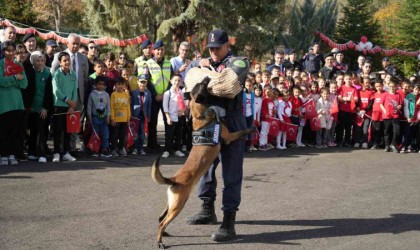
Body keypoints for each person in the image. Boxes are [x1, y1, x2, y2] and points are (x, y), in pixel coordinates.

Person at [185, 29, 250, 242]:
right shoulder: (200, 63)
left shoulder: (239, 62)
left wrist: (203, 78)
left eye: (217, 48)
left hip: (230, 121)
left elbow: (228, 86)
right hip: (208, 121)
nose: (213, 52)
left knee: (231, 172)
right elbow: (188, 81)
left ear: (227, 47)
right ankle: (207, 209)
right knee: (205, 168)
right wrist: (203, 75)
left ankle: (229, 222)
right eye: (210, 48)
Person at [51, 34, 89, 155]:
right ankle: (60, 148)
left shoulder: (83, 58)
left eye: (78, 43)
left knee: (73, 123)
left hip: (77, 94)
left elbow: (85, 76)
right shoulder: (59, 56)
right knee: (61, 124)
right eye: (73, 43)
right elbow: (53, 74)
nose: (76, 46)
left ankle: (71, 149)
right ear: (67, 43)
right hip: (62, 96)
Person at [0, 41, 28, 166]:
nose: (11, 53)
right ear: (3, 52)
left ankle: (11, 154)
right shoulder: (0, 64)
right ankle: (3, 154)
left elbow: (24, 84)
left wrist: (10, 80)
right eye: (8, 50)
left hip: (17, 103)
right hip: (4, 103)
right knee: (3, 130)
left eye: (12, 50)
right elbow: (1, 81)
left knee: (14, 131)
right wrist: (15, 78)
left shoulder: (18, 64)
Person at [143, 40, 173, 152]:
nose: (160, 52)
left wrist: (166, 94)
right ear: (153, 51)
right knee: (153, 121)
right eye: (158, 50)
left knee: (168, 121)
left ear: (164, 50)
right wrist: (155, 94)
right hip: (154, 98)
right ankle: (152, 145)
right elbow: (147, 80)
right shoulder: (149, 63)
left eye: (162, 49)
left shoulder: (168, 63)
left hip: (166, 97)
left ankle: (168, 146)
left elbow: (172, 80)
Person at [51, 52, 78, 163]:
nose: (67, 62)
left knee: (68, 131)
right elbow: (56, 91)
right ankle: (57, 152)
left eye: (68, 60)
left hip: (69, 107)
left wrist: (72, 105)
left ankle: (66, 153)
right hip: (59, 106)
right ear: (60, 62)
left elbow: (74, 91)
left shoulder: (73, 74)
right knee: (58, 131)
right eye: (64, 60)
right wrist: (68, 100)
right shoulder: (56, 74)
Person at [27, 51, 53, 163]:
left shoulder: (47, 73)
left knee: (41, 131)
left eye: (42, 60)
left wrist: (45, 107)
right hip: (31, 107)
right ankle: (31, 152)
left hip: (42, 107)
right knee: (32, 130)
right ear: (33, 61)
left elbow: (49, 93)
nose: (40, 62)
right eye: (37, 60)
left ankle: (42, 153)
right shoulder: (29, 72)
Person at [86, 75, 112, 158]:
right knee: (95, 134)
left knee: (105, 134)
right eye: (99, 84)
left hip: (104, 118)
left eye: (103, 84)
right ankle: (95, 149)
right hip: (95, 117)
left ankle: (104, 149)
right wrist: (89, 116)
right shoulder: (92, 94)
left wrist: (108, 116)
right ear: (95, 84)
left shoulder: (106, 94)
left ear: (105, 86)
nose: (101, 86)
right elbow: (89, 106)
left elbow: (108, 106)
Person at [161, 74, 186, 158]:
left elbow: (183, 104)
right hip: (171, 116)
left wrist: (182, 111)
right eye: (175, 80)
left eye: (179, 80)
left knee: (179, 134)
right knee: (169, 134)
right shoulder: (168, 93)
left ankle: (177, 149)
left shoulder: (181, 92)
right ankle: (167, 150)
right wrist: (167, 117)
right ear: (171, 81)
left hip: (180, 116)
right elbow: (165, 106)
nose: (177, 82)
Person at [130, 75, 151, 155]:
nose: (143, 84)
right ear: (137, 82)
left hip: (143, 115)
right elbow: (131, 104)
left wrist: (148, 116)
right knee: (135, 132)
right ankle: (135, 148)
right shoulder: (134, 92)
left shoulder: (148, 93)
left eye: (144, 82)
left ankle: (141, 148)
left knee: (142, 132)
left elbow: (149, 106)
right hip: (135, 115)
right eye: (141, 82)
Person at [336, 72, 359, 147]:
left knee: (348, 127)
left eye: (350, 79)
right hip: (342, 110)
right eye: (346, 79)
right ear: (344, 80)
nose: (348, 80)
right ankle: (339, 141)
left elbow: (356, 99)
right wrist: (345, 99)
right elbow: (339, 98)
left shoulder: (354, 89)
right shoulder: (341, 88)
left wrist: (351, 99)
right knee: (341, 126)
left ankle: (347, 141)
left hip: (351, 111)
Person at [110, 77, 130, 156]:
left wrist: (128, 118)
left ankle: (121, 148)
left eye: (122, 84)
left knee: (122, 135)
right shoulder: (113, 94)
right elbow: (111, 107)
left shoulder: (126, 94)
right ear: (115, 85)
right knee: (114, 135)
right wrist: (112, 118)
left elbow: (128, 107)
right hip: (116, 119)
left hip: (124, 119)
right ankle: (114, 149)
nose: (120, 86)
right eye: (118, 84)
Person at [380, 79, 403, 153]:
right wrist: (385, 111)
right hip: (387, 116)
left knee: (397, 130)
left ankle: (393, 144)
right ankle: (387, 145)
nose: (392, 88)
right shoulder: (385, 94)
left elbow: (400, 104)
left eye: (393, 86)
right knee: (387, 131)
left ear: (396, 87)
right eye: (390, 86)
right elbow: (381, 104)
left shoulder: (398, 95)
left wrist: (399, 106)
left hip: (395, 115)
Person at [354, 77, 374, 149]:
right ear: (362, 83)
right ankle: (357, 141)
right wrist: (357, 107)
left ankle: (365, 142)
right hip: (359, 113)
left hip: (367, 114)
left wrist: (365, 109)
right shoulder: (358, 91)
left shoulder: (371, 92)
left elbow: (371, 103)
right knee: (358, 128)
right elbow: (356, 101)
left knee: (365, 128)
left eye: (369, 83)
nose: (367, 84)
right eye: (366, 83)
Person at [402, 84, 420, 153]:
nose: (417, 91)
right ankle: (404, 146)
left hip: (417, 119)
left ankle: (411, 146)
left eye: (419, 90)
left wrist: (418, 119)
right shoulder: (409, 96)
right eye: (416, 89)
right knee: (407, 133)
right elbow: (406, 108)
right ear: (413, 89)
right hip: (409, 118)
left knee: (414, 133)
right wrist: (407, 117)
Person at [370, 79, 385, 150]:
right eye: (377, 86)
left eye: (380, 86)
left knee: (383, 130)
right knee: (375, 130)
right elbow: (370, 104)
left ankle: (383, 144)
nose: (378, 88)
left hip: (384, 115)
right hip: (375, 115)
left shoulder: (386, 94)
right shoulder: (374, 94)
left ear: (383, 86)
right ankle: (375, 143)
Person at [243, 78, 255, 152]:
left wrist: (254, 116)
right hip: (244, 115)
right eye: (247, 85)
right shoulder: (243, 94)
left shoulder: (252, 94)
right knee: (244, 131)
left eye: (250, 86)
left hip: (250, 114)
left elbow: (253, 105)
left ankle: (248, 146)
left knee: (250, 131)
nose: (248, 87)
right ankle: (243, 146)